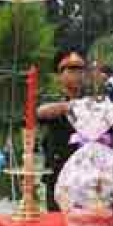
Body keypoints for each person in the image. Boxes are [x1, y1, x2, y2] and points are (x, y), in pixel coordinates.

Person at [38, 52, 84, 211]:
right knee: (56, 219)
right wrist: (67, 106)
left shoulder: (88, 98)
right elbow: (39, 112)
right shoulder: (52, 96)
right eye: (71, 71)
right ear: (60, 75)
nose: (77, 76)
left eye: (80, 71)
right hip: (59, 167)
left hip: (85, 171)